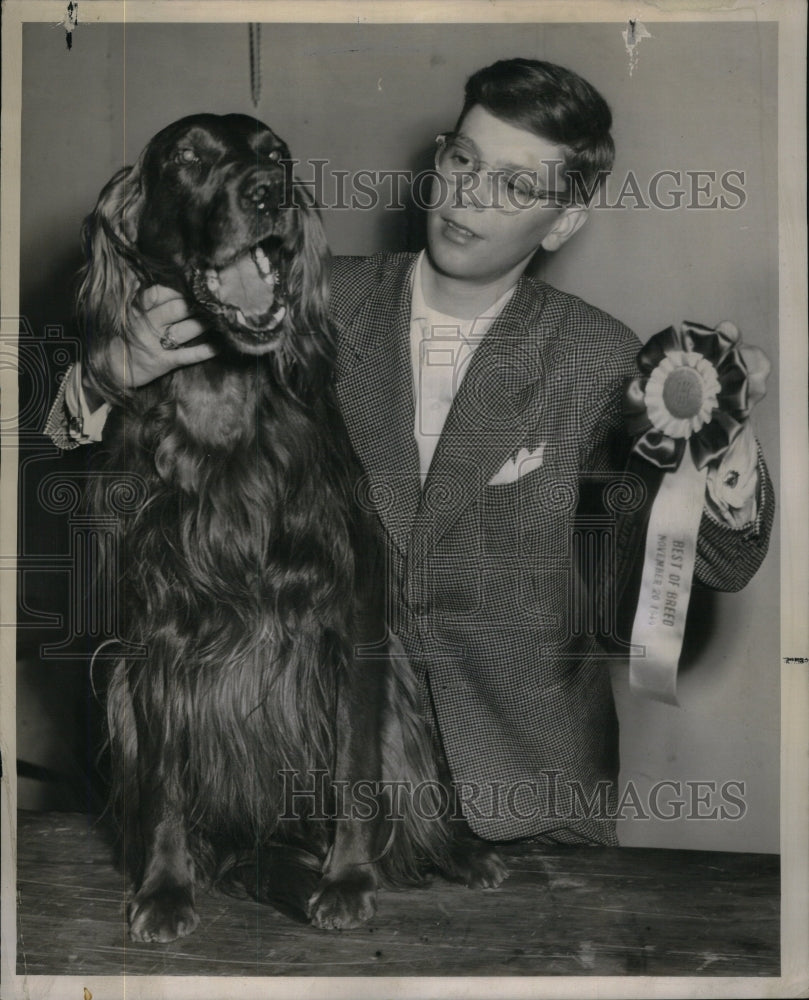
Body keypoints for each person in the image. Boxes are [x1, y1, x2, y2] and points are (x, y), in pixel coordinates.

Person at [46, 58, 772, 845]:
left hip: (526, 810)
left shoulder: (597, 359)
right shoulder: (293, 304)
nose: (469, 194)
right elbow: (79, 464)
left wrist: (722, 443)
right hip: (321, 804)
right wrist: (104, 377)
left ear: (563, 221)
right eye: (463, 160)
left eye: (515, 186)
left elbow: (721, 566)